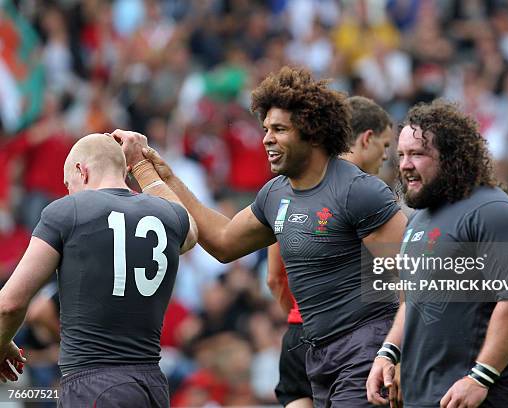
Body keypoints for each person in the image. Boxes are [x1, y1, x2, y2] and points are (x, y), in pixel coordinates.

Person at [122, 67, 407, 407]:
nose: (266, 139)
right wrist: (166, 176)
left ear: (312, 133)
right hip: (317, 356)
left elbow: (418, 277)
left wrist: (395, 354)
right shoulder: (275, 194)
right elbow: (224, 242)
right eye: (266, 129)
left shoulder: (359, 191)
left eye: (279, 129)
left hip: (366, 351)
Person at [366, 100, 508, 408]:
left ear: (450, 157)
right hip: (427, 397)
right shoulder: (419, 219)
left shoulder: (494, 211)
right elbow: (413, 299)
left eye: (418, 154)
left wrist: (480, 378)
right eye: (402, 155)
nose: (405, 164)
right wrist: (389, 354)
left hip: (487, 395)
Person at [0, 133, 198, 407]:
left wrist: (2, 342)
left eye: (69, 184)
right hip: (151, 386)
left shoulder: (68, 211)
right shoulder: (167, 216)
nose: (69, 192)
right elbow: (191, 229)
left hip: (92, 385)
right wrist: (143, 166)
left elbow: (9, 304)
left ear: (82, 171)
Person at [268, 95, 394, 408]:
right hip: (359, 342)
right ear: (367, 138)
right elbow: (407, 277)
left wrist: (299, 314)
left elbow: (274, 278)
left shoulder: (288, 191)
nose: (386, 157)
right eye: (386, 146)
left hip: (299, 336)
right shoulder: (366, 194)